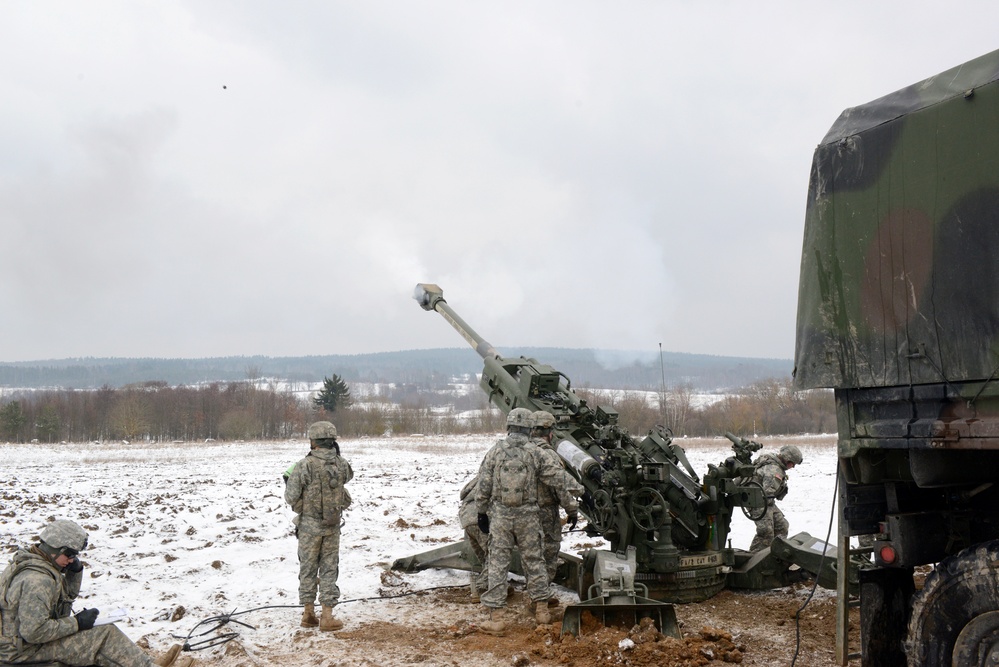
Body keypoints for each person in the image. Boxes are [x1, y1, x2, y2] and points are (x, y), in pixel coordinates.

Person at [0, 519, 192, 667]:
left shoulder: (30, 562)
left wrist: (74, 573)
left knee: (97, 637)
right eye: (69, 555)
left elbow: (62, 602)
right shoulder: (37, 580)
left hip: (18, 645)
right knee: (103, 635)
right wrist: (77, 623)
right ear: (54, 550)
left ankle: (143, 662)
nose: (72, 559)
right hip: (22, 652)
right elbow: (34, 632)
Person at [476, 408, 581, 635]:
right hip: (529, 517)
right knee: (535, 561)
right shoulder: (536, 452)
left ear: (509, 426)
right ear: (529, 429)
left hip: (502, 517)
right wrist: (581, 490)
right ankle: (542, 612)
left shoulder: (495, 451)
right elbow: (557, 477)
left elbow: (483, 484)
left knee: (498, 564)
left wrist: (482, 512)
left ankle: (497, 619)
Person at [285, 420, 353, 632]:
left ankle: (308, 614)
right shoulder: (341, 464)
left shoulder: (304, 465)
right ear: (332, 441)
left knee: (307, 568)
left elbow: (290, 496)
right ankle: (328, 616)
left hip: (309, 528)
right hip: (332, 527)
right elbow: (348, 476)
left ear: (313, 442)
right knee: (329, 568)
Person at [530, 410, 582, 600]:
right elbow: (559, 486)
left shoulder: (521, 451)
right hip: (545, 513)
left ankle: (534, 593)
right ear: (550, 433)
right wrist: (572, 509)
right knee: (548, 554)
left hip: (519, 512)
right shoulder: (548, 455)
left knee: (530, 554)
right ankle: (541, 599)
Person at [749, 444, 803, 552]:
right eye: (793, 464)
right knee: (766, 531)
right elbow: (767, 493)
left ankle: (775, 553)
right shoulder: (774, 470)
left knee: (782, 526)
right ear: (787, 459)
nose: (793, 467)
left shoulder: (773, 461)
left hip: (765, 501)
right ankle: (755, 558)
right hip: (756, 501)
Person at [457, 475, 489, 602]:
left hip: (466, 519)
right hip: (479, 520)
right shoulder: (494, 478)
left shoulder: (477, 480)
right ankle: (481, 588)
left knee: (484, 558)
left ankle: (488, 586)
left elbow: (463, 494)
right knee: (493, 558)